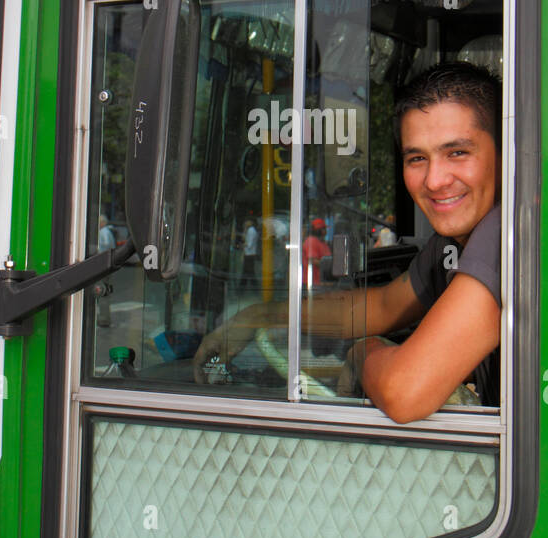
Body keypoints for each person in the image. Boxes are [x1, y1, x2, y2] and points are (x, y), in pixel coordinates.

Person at [193, 63, 501, 423]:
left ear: (503, 152)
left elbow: (405, 391)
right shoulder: (450, 244)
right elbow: (382, 306)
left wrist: (363, 353)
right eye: (417, 158)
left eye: (457, 153)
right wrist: (257, 317)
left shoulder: (507, 233)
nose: (434, 180)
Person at [301, 218, 331, 288]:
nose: (326, 231)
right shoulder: (311, 241)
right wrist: (330, 267)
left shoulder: (322, 242)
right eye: (324, 228)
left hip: (320, 282)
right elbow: (313, 260)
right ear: (318, 230)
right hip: (311, 283)